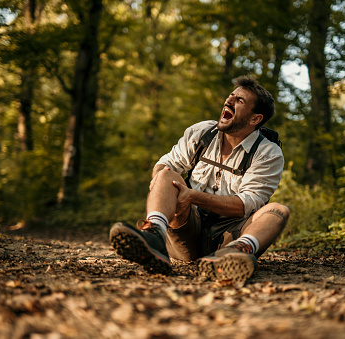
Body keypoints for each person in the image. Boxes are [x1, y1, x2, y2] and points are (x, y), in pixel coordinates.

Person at [109, 76, 289, 284]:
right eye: (231, 96)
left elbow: (244, 205)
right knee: (166, 173)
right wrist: (159, 179)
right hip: (187, 234)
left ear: (255, 119)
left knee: (278, 210)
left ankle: (236, 253)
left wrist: (192, 196)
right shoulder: (202, 132)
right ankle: (154, 237)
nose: (229, 101)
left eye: (239, 101)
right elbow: (167, 162)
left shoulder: (268, 153)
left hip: (231, 236)